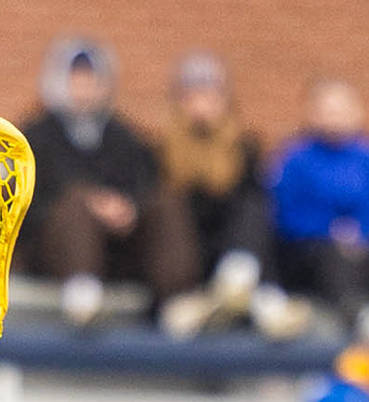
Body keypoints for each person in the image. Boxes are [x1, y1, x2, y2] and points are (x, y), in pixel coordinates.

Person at [19, 39, 194, 333]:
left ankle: (178, 298)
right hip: (54, 255)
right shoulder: (34, 138)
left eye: (91, 79)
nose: (84, 88)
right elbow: (29, 204)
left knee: (165, 202)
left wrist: (128, 209)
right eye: (76, 79)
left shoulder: (125, 138)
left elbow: (143, 183)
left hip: (117, 250)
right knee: (76, 203)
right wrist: (91, 204)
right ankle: (82, 292)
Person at [153, 53, 296, 340]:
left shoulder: (245, 150)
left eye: (209, 95)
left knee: (254, 207)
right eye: (192, 96)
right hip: (187, 263)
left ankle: (240, 282)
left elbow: (256, 211)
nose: (201, 105)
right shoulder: (159, 153)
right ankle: (202, 299)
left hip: (235, 256)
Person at [269, 79, 369, 330]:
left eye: (340, 110)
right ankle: (354, 317)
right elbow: (287, 214)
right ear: (312, 113)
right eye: (327, 110)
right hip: (312, 252)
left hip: (367, 246)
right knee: (334, 258)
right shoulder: (295, 159)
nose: (334, 118)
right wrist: (330, 230)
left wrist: (359, 232)